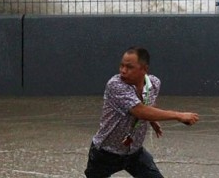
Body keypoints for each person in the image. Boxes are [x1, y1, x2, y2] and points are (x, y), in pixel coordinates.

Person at [85, 46, 200, 178]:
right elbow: (139, 111)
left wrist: (153, 120)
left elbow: (149, 104)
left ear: (144, 69)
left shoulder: (154, 83)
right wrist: (178, 115)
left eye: (129, 67)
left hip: (134, 152)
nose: (123, 71)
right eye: (121, 66)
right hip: (106, 153)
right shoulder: (115, 85)